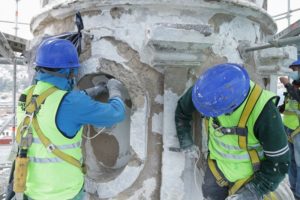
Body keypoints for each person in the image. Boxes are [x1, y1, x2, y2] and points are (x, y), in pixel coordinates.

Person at [14, 38, 126, 200]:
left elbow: (53, 102)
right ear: (68, 72)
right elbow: (116, 113)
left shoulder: (27, 94)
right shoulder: (71, 103)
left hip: (30, 189)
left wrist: (91, 92)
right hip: (63, 192)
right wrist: (115, 91)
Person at [175, 63, 290, 200]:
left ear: (232, 105)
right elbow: (182, 111)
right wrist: (185, 140)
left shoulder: (264, 111)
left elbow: (279, 162)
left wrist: (254, 191)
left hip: (252, 177)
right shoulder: (205, 92)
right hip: (217, 171)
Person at [279, 60, 300, 200]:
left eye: (296, 68)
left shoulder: (292, 88)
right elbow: (289, 105)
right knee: (291, 161)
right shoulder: (294, 86)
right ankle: (293, 190)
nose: (293, 71)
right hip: (289, 129)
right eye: (292, 68)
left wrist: (286, 84)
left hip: (298, 130)